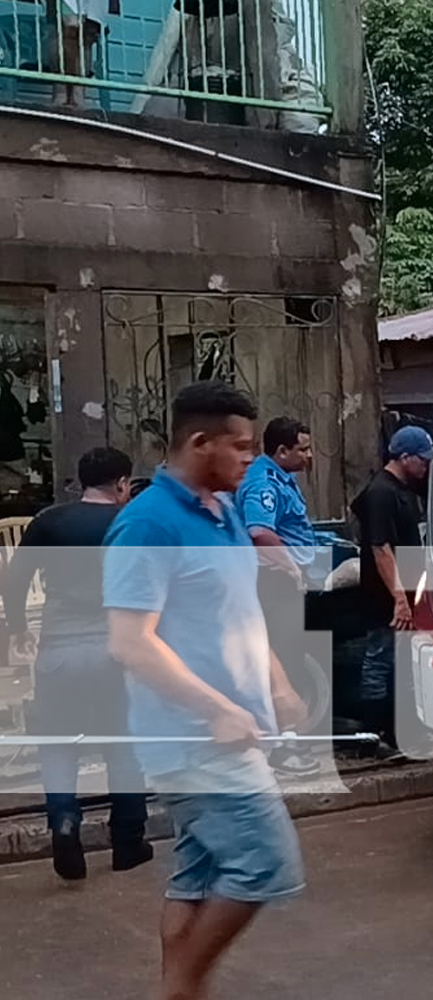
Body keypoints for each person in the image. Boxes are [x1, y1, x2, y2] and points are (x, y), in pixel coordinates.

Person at [103, 381, 308, 1000]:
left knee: (197, 875)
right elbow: (130, 641)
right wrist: (217, 709)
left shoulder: (225, 512)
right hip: (194, 741)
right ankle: (181, 989)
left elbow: (237, 613)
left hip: (226, 733)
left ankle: (180, 989)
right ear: (199, 443)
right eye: (242, 448)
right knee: (266, 863)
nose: (253, 459)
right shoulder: (145, 524)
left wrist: (278, 684)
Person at [1, 445, 152, 881]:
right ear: (123, 484)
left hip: (58, 651)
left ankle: (65, 823)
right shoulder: (130, 522)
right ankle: (127, 842)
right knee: (122, 745)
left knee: (59, 744)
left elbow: (15, 579)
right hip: (116, 651)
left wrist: (17, 628)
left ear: (81, 482)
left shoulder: (50, 521)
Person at [235, 416, 320, 778]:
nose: (309, 455)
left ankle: (284, 741)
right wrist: (291, 568)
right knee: (283, 662)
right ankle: (282, 746)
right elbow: (260, 532)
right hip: (273, 585)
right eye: (303, 449)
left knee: (288, 661)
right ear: (281, 451)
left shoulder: (281, 478)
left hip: (282, 583)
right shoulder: (263, 482)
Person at [350, 424, 433, 753]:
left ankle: (398, 733)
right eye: (422, 459)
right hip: (385, 597)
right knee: (380, 660)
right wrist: (399, 598)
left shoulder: (402, 489)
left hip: (405, 594)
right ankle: (372, 735)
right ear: (405, 457)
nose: (426, 466)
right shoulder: (382, 492)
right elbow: (380, 548)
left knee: (401, 662)